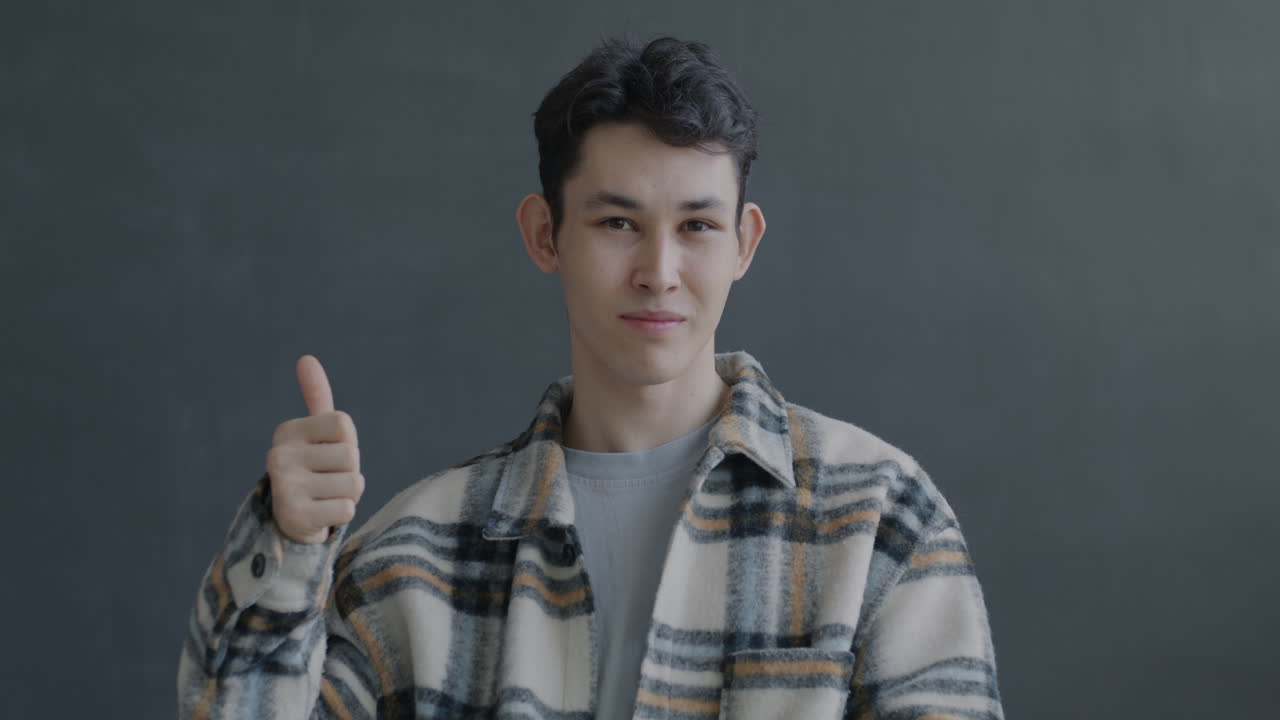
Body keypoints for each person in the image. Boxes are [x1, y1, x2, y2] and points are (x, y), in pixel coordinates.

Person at [177, 35, 1004, 720]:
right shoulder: (413, 557)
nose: (659, 270)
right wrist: (288, 547)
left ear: (745, 243)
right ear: (545, 235)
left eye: (697, 226)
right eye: (617, 222)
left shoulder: (880, 522)